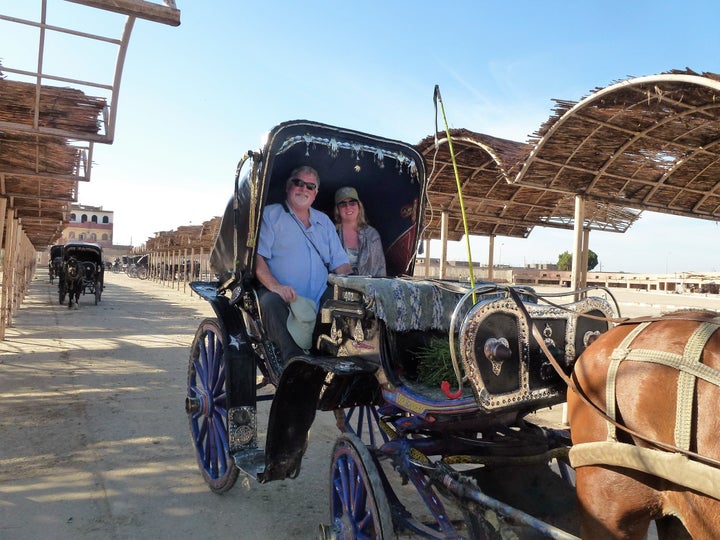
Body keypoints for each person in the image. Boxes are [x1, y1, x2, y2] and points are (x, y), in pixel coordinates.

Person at [255, 166, 352, 364]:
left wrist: (357, 287)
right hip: (286, 298)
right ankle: (293, 362)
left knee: (348, 300)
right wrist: (275, 287)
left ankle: (331, 356)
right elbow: (258, 259)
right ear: (288, 186)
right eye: (298, 183)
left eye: (310, 186)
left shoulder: (323, 221)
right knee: (269, 302)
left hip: (319, 296)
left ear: (315, 194)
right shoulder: (271, 216)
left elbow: (340, 264)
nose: (303, 189)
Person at [333, 186, 386, 277]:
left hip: (368, 287)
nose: (348, 207)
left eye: (352, 203)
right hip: (338, 287)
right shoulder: (332, 234)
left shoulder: (372, 235)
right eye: (342, 204)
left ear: (359, 206)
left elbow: (380, 269)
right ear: (337, 209)